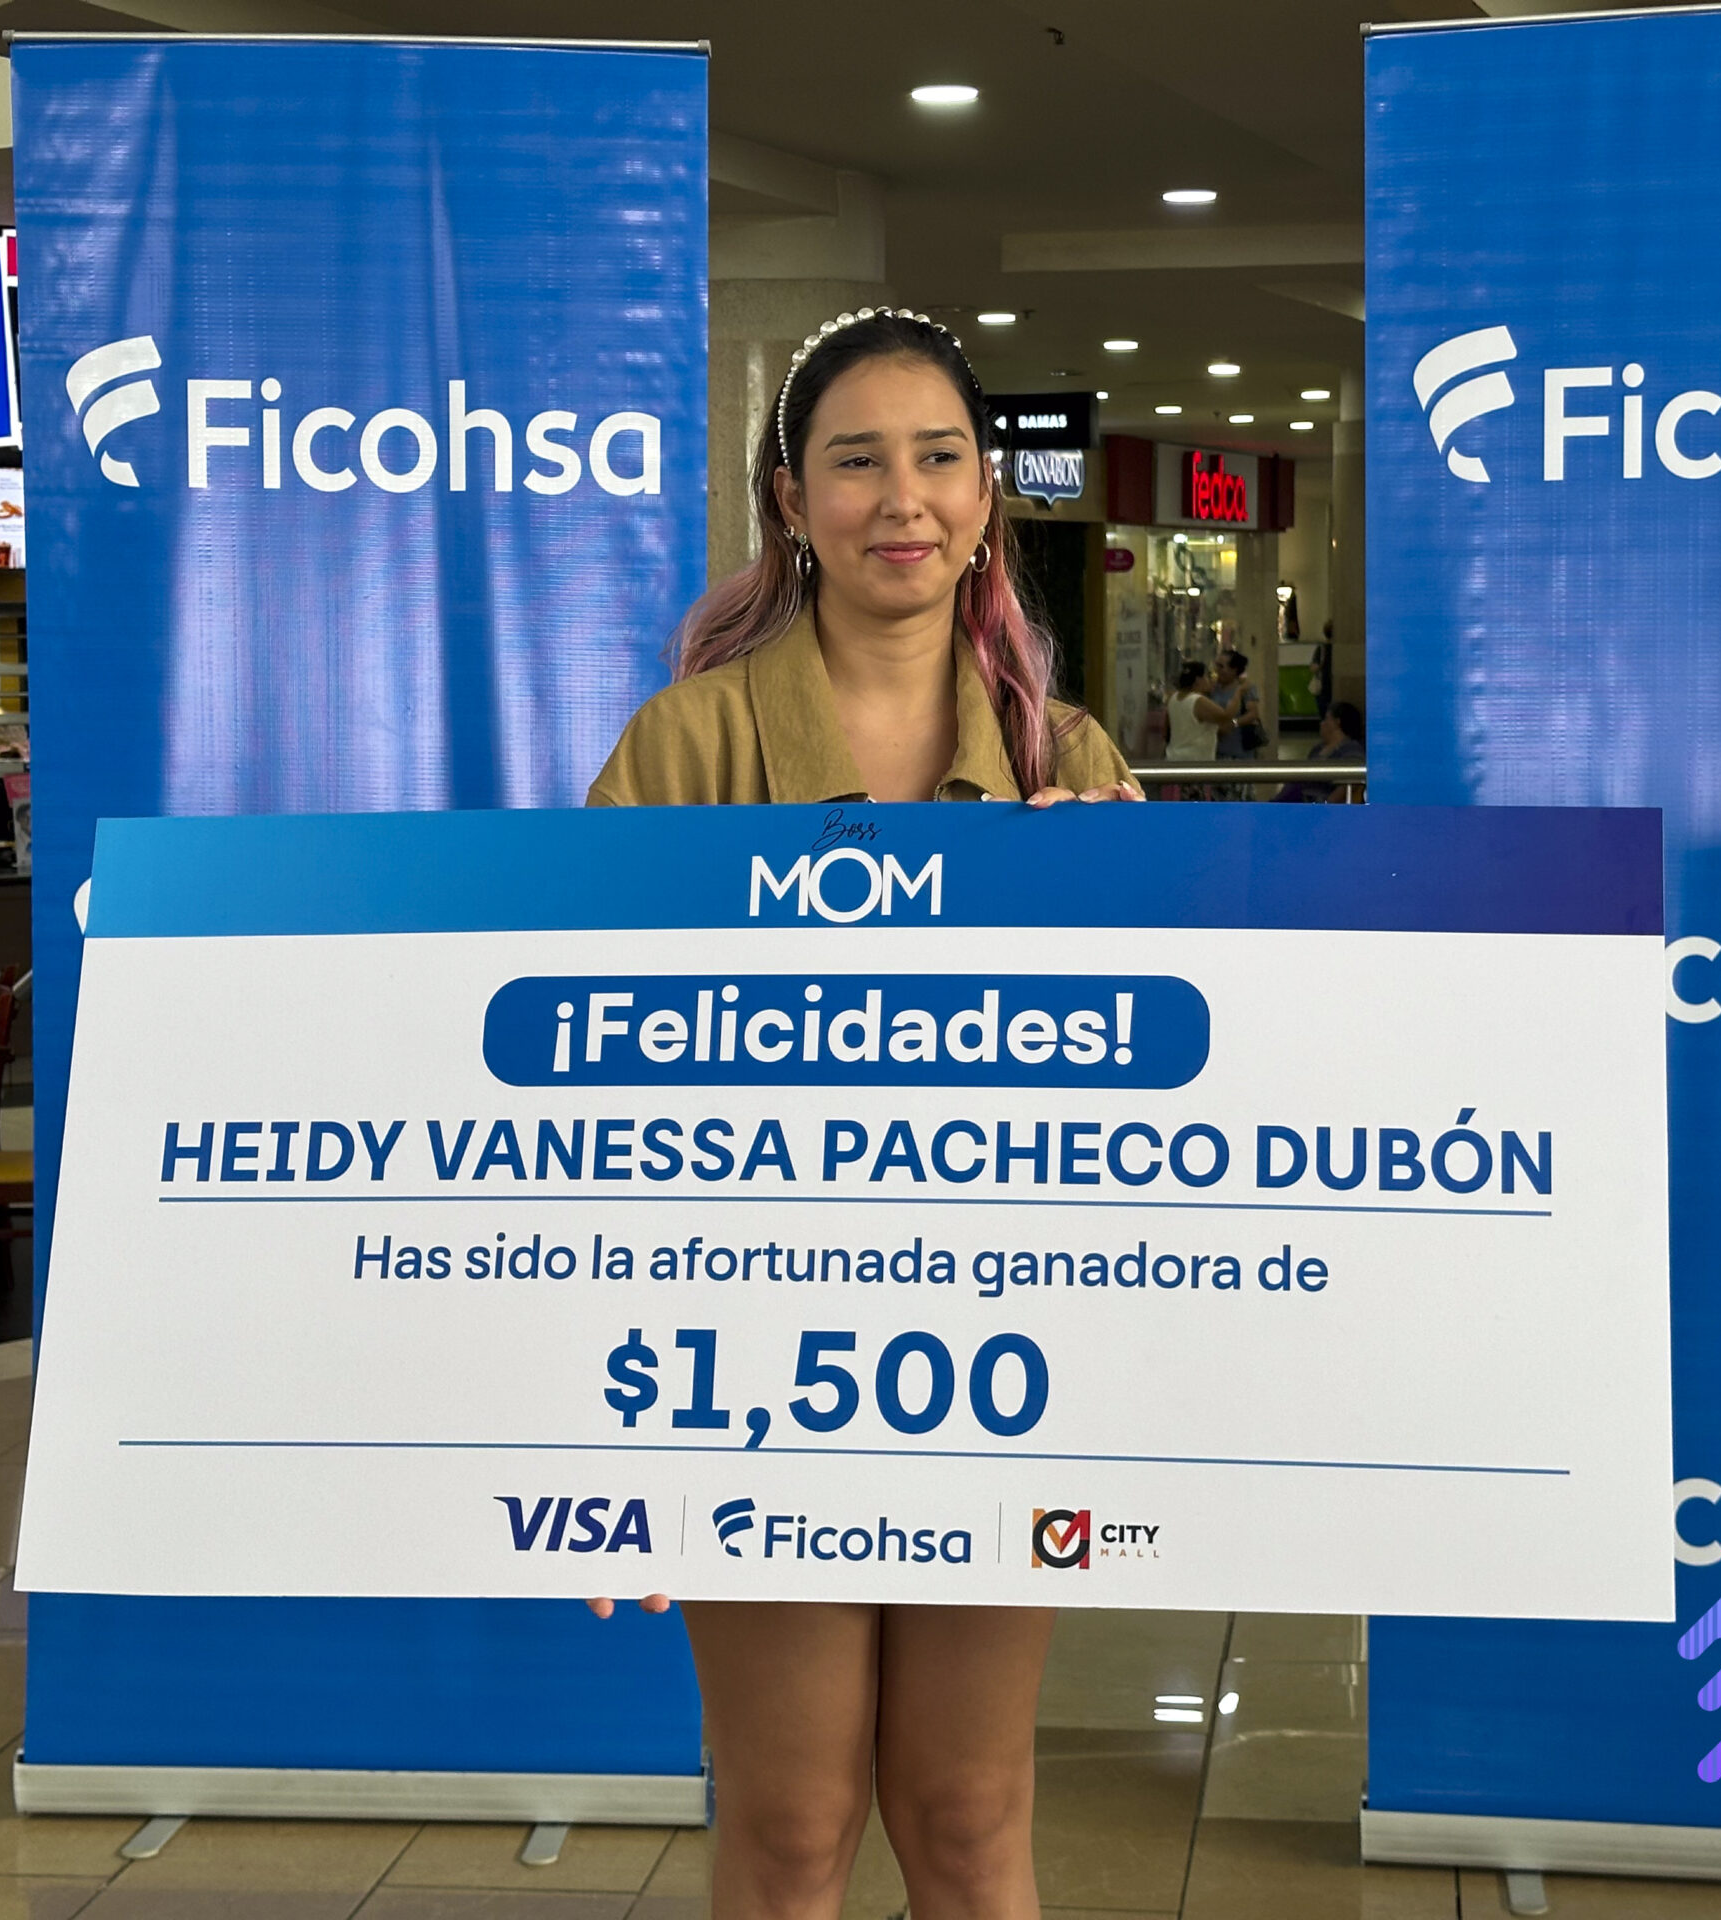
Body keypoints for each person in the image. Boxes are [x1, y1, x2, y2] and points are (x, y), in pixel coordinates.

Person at [588, 305, 1138, 1920]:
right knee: (791, 1821)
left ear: (986, 495)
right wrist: (600, 1429)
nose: (904, 499)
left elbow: (1170, 1102)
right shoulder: (686, 747)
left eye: (940, 458)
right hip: (750, 1358)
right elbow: (588, 1098)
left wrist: (1129, 911)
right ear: (790, 499)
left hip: (1003, 1355)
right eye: (857, 462)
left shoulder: (1067, 757)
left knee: (968, 1816)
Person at [1274, 700, 1365, 804]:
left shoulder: (1351, 749)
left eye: (1326, 719)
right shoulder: (1317, 749)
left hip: (1319, 803)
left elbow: (1353, 778)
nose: (1322, 724)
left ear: (1337, 722)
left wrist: (1327, 804)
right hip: (1302, 800)